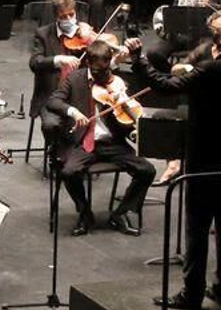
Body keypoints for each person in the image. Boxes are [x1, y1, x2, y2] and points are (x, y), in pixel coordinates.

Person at [129, 14, 221, 310]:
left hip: (206, 154)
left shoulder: (211, 70)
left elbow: (163, 86)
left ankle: (192, 293)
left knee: (197, 226)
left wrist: (138, 59)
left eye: (216, 30)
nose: (211, 29)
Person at [48, 40, 155, 235]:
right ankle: (85, 213)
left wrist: (130, 114)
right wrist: (73, 112)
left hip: (113, 142)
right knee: (69, 172)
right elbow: (53, 101)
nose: (102, 76)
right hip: (85, 142)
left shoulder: (117, 82)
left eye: (105, 71)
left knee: (147, 170)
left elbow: (129, 117)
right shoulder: (75, 78)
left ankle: (120, 213)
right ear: (88, 62)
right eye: (97, 72)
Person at [30, 0, 86, 156]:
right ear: (56, 16)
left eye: (71, 15)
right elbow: (35, 62)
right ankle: (58, 154)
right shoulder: (43, 34)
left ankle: (75, 154)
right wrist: (57, 59)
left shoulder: (83, 32)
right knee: (51, 125)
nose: (68, 20)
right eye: (63, 16)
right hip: (51, 96)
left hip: (79, 95)